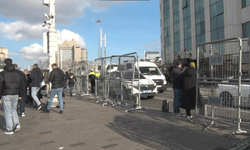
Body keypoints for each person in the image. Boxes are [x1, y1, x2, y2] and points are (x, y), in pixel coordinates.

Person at [0, 58, 23, 134]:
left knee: (7, 111)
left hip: (6, 93)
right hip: (15, 93)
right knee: (14, 109)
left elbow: (0, 85)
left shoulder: (2, 73)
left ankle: (9, 128)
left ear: (5, 64)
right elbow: (21, 84)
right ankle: (16, 124)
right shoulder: (17, 73)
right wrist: (20, 94)